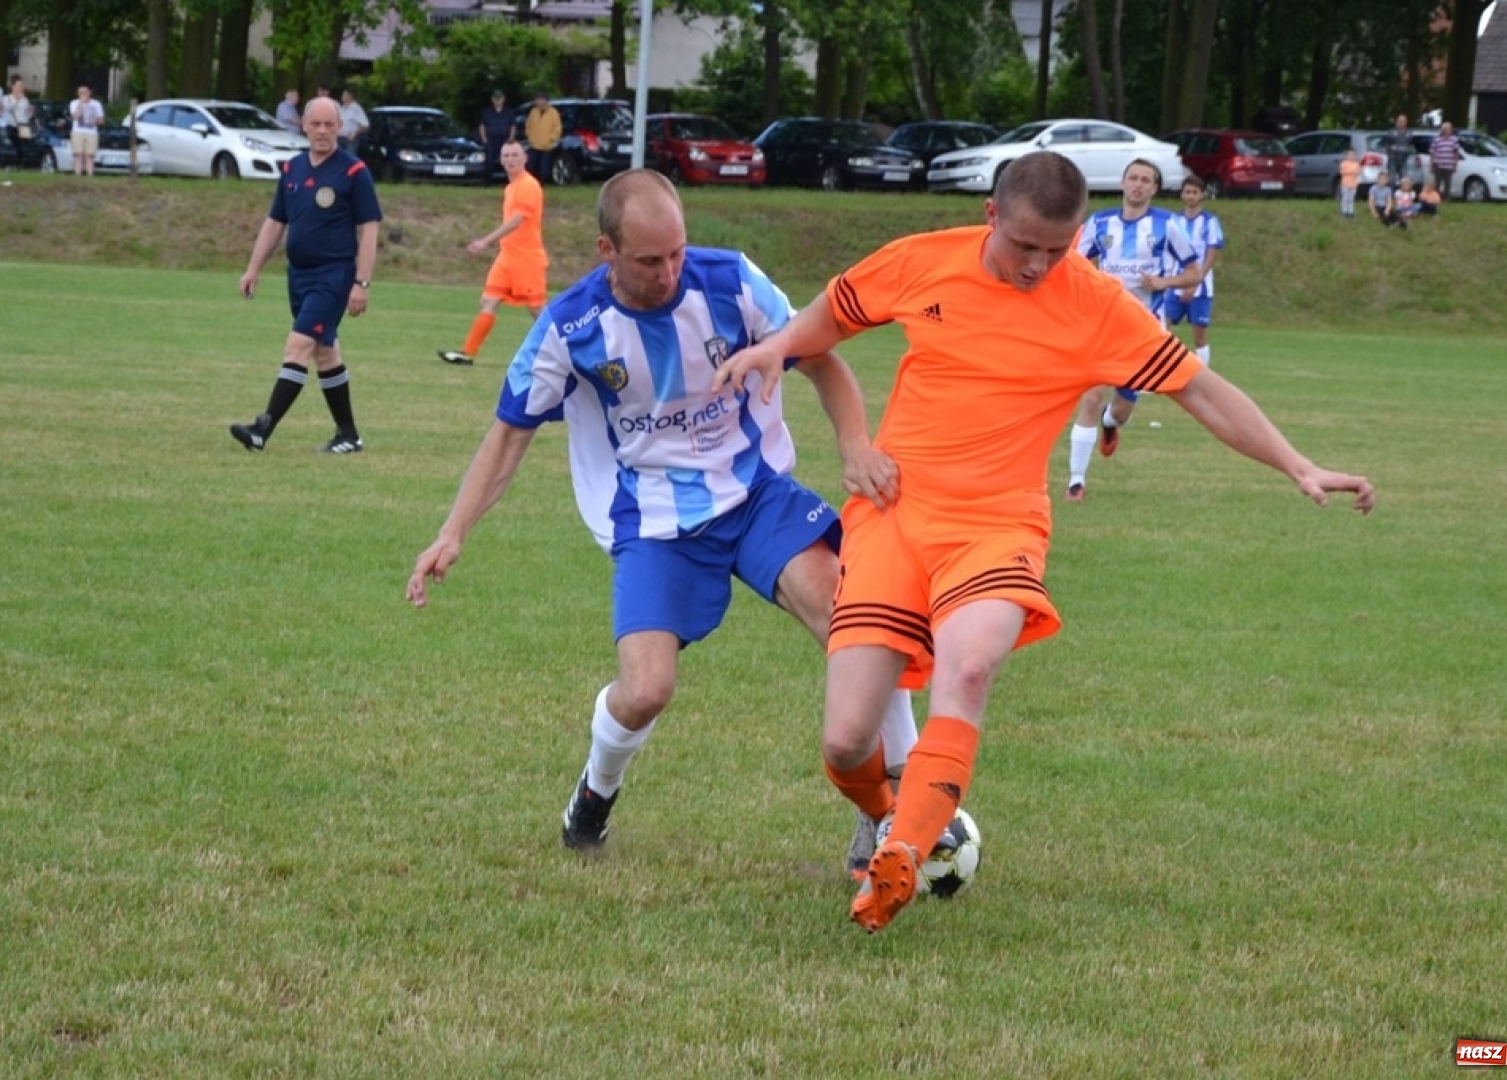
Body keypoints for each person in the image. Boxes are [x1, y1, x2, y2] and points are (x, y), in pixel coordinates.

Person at [709, 151, 1376, 934]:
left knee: (973, 664)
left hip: (998, 524)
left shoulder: (1095, 306)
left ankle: (904, 856)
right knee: (847, 738)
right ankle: (891, 815)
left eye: (1056, 251)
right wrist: (776, 347)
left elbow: (1200, 390)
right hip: (894, 512)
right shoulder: (921, 262)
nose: (1038, 265)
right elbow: (835, 312)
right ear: (991, 216)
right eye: (1024, 246)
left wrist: (1297, 462)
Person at [406, 169, 920, 875]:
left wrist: (854, 443)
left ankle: (895, 811)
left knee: (856, 618)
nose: (669, 271)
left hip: (753, 492)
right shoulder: (572, 327)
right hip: (653, 519)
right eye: (650, 260)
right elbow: (509, 434)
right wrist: (452, 530)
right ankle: (594, 793)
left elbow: (820, 358)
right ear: (605, 251)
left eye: (677, 252)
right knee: (646, 690)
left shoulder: (730, 280)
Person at [228, 95, 382, 455]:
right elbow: (275, 222)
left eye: (330, 124)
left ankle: (262, 429)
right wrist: (253, 267)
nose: (323, 131)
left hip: (334, 276)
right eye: (316, 124)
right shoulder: (292, 169)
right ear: (304, 126)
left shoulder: (354, 172)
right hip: (298, 277)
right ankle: (349, 435)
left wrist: (361, 282)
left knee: (298, 345)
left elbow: (370, 229)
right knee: (325, 354)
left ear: (340, 127)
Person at [1065, 158, 1201, 502]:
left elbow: (1194, 273)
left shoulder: (1167, 225)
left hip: (1142, 330)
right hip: (1103, 323)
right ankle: (1076, 482)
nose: (1138, 184)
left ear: (1154, 188)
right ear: (1123, 183)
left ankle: (1111, 424)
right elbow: (1073, 267)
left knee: (1121, 410)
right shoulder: (1099, 223)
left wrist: (1164, 281)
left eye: (1146, 180)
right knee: (1091, 397)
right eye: (1133, 178)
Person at [438, 141, 549, 367]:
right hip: (507, 257)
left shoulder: (529, 185)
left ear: (524, 158)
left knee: (537, 309)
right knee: (488, 300)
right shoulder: (511, 187)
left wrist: (485, 241)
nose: (510, 159)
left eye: (515, 155)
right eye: (506, 155)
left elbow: (516, 221)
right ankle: (466, 353)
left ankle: (569, 352)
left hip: (526, 259)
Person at [1163, 174, 1223, 368]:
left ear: (1202, 195)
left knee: (1199, 337)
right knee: (1161, 329)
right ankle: (1160, 371)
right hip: (1175, 285)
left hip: (1201, 288)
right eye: (1187, 192)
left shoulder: (1209, 222)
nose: (1190, 196)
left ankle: (1202, 376)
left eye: (1195, 192)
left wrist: (1195, 282)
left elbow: (1211, 255)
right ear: (1182, 195)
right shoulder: (1173, 221)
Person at [478, 89, 516, 185]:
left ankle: (509, 181)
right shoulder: (487, 112)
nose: (498, 101)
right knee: (489, 160)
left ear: (503, 99)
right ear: (492, 100)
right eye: (496, 99)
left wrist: (511, 138)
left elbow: (512, 126)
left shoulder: (509, 112)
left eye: (499, 99)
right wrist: (484, 139)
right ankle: (488, 182)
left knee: (507, 161)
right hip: (491, 140)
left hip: (505, 140)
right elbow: (482, 126)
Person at [525, 91, 561, 183]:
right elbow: (528, 126)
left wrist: (551, 138)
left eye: (541, 99)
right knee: (531, 165)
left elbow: (557, 127)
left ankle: (541, 184)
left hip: (547, 146)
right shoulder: (533, 112)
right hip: (534, 145)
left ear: (546, 100)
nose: (539, 101)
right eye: (537, 99)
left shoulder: (553, 112)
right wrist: (530, 137)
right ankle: (532, 183)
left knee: (544, 168)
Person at [68, 85, 104, 177]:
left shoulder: (96, 104)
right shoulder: (74, 103)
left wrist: (95, 121)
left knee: (89, 155)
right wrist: (81, 104)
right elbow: (75, 117)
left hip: (91, 132)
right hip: (78, 131)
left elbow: (102, 120)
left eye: (85, 92)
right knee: (78, 154)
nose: (83, 94)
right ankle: (77, 174)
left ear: (89, 93)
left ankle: (90, 174)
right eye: (80, 93)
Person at [1, 77, 35, 166]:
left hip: (23, 126)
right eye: (18, 86)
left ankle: (22, 165)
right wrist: (17, 100)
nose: (20, 88)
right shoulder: (6, 98)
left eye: (21, 86)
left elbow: (27, 115)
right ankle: (14, 164)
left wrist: (30, 112)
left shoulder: (25, 99)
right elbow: (8, 108)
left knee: (25, 147)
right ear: (13, 86)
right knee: (16, 146)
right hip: (12, 126)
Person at [1427, 121, 1460, 200]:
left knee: (1447, 184)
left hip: (1449, 165)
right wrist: (1431, 165)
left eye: (1448, 129)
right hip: (1438, 165)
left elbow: (1456, 153)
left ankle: (1447, 199)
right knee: (1437, 183)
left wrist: (1455, 165)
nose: (1447, 131)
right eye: (1445, 129)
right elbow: (1432, 152)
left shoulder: (1454, 140)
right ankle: (1435, 198)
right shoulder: (1437, 139)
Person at [1385, 114, 1414, 186]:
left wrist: (1409, 151)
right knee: (1392, 179)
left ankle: (1403, 195)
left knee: (1404, 179)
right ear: (1397, 122)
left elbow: (1410, 145)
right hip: (1393, 159)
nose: (1401, 123)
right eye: (1400, 121)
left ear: (1406, 122)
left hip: (1404, 159)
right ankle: (1391, 195)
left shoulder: (1409, 133)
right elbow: (1386, 144)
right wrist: (1389, 152)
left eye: (1403, 121)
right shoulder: (1391, 132)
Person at [1338, 148, 1360, 218]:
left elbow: (1358, 173)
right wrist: (1351, 172)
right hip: (1345, 183)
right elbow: (1342, 172)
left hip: (1353, 184)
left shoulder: (1356, 164)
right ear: (1346, 155)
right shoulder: (1344, 163)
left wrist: (1352, 173)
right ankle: (1345, 211)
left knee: (1351, 198)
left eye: (1353, 155)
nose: (1351, 156)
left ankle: (1350, 211)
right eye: (1350, 155)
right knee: (1345, 198)